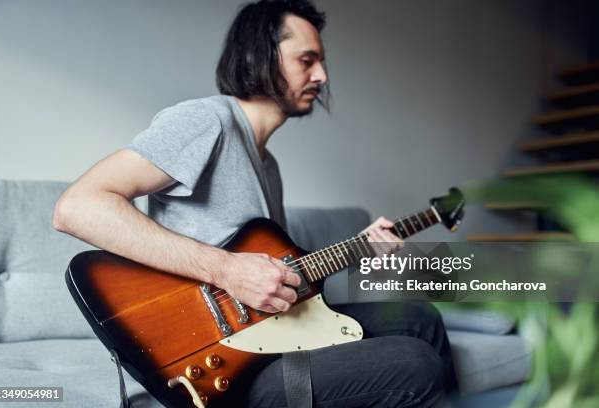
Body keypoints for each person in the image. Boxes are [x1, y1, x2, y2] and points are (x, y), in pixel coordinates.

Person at [53, 0, 456, 406]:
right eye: (307, 60)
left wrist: (361, 249)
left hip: (272, 333)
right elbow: (77, 207)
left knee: (421, 318)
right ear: (257, 56)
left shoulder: (269, 165)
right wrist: (225, 269)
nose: (322, 76)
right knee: (416, 362)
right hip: (219, 361)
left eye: (322, 62)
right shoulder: (207, 121)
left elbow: (277, 278)